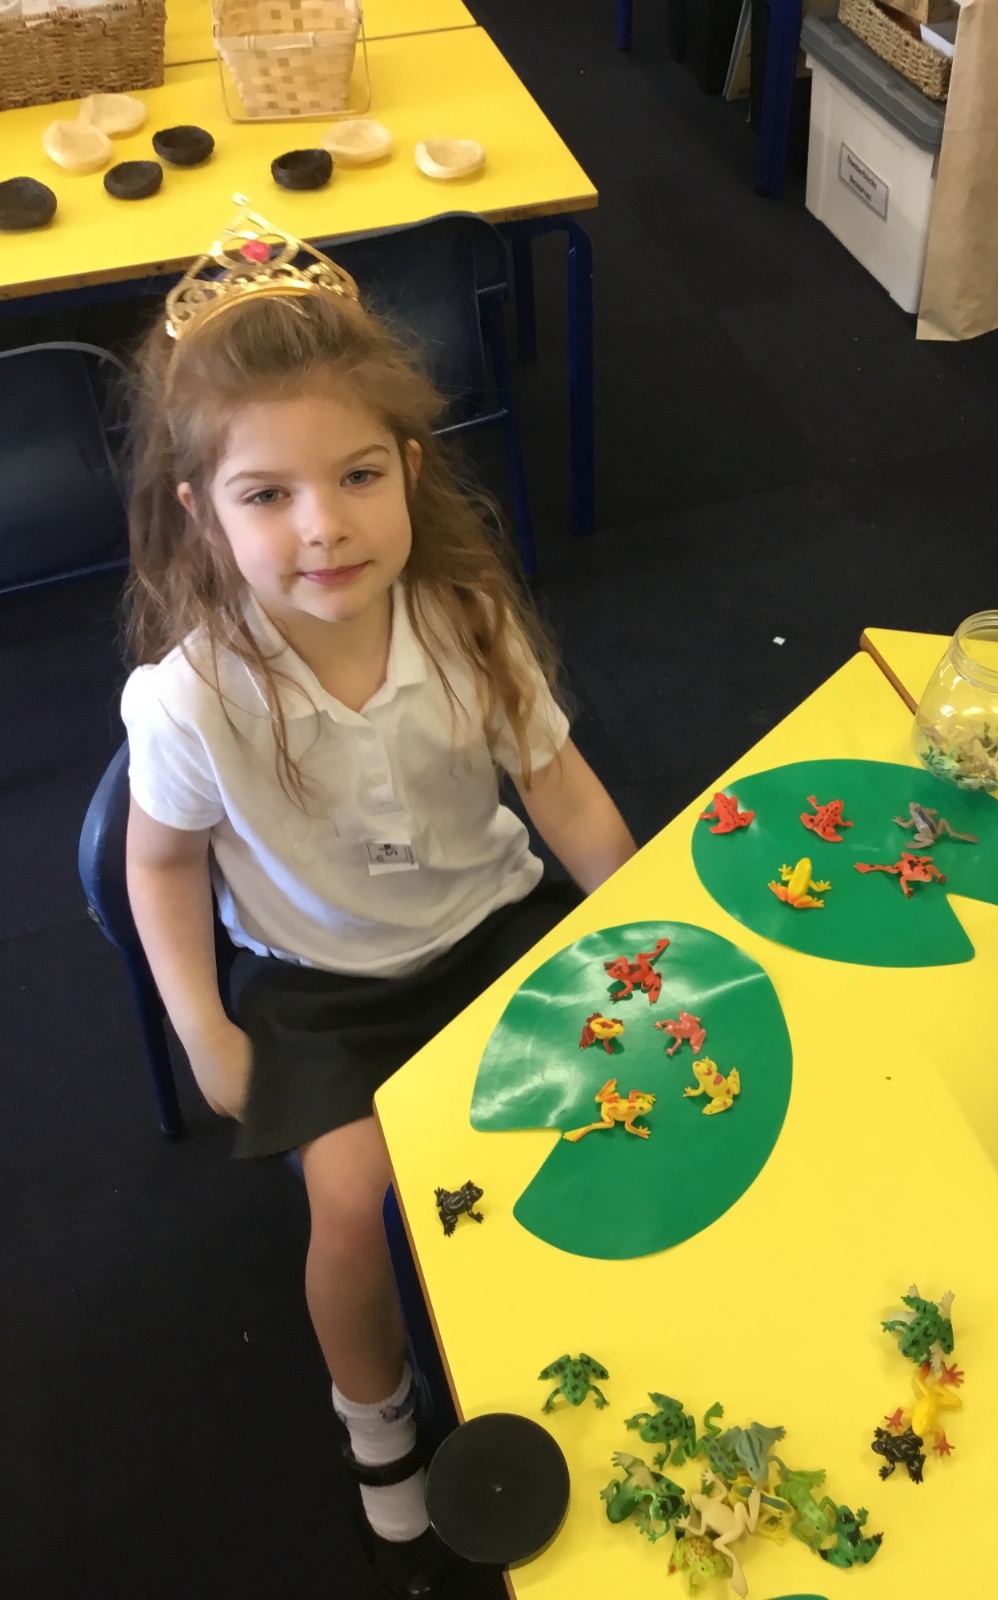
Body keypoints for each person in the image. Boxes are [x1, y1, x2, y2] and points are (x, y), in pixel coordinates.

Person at [120, 203, 636, 1589]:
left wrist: (645, 919)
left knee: (607, 1115)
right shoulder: (194, 697)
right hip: (323, 986)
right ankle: (379, 1421)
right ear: (200, 512)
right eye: (267, 496)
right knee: (352, 1203)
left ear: (410, 467)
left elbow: (558, 785)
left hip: (491, 931)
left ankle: (562, 1329)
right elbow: (159, 861)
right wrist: (204, 1030)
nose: (325, 528)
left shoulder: (467, 619)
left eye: (356, 476)